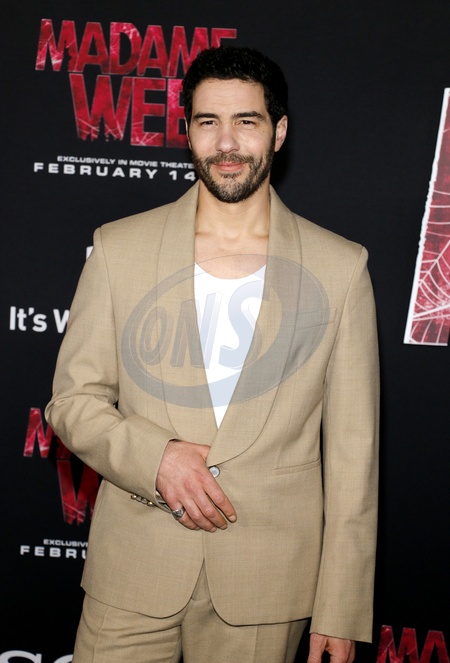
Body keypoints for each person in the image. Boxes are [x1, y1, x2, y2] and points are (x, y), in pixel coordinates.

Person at [46, 46, 379, 663]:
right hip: (133, 570)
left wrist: (341, 607)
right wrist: (156, 459)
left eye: (246, 122)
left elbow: (354, 456)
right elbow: (72, 402)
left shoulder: (340, 268)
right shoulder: (120, 248)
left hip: (266, 583)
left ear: (278, 132)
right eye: (208, 122)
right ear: (188, 131)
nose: (227, 144)